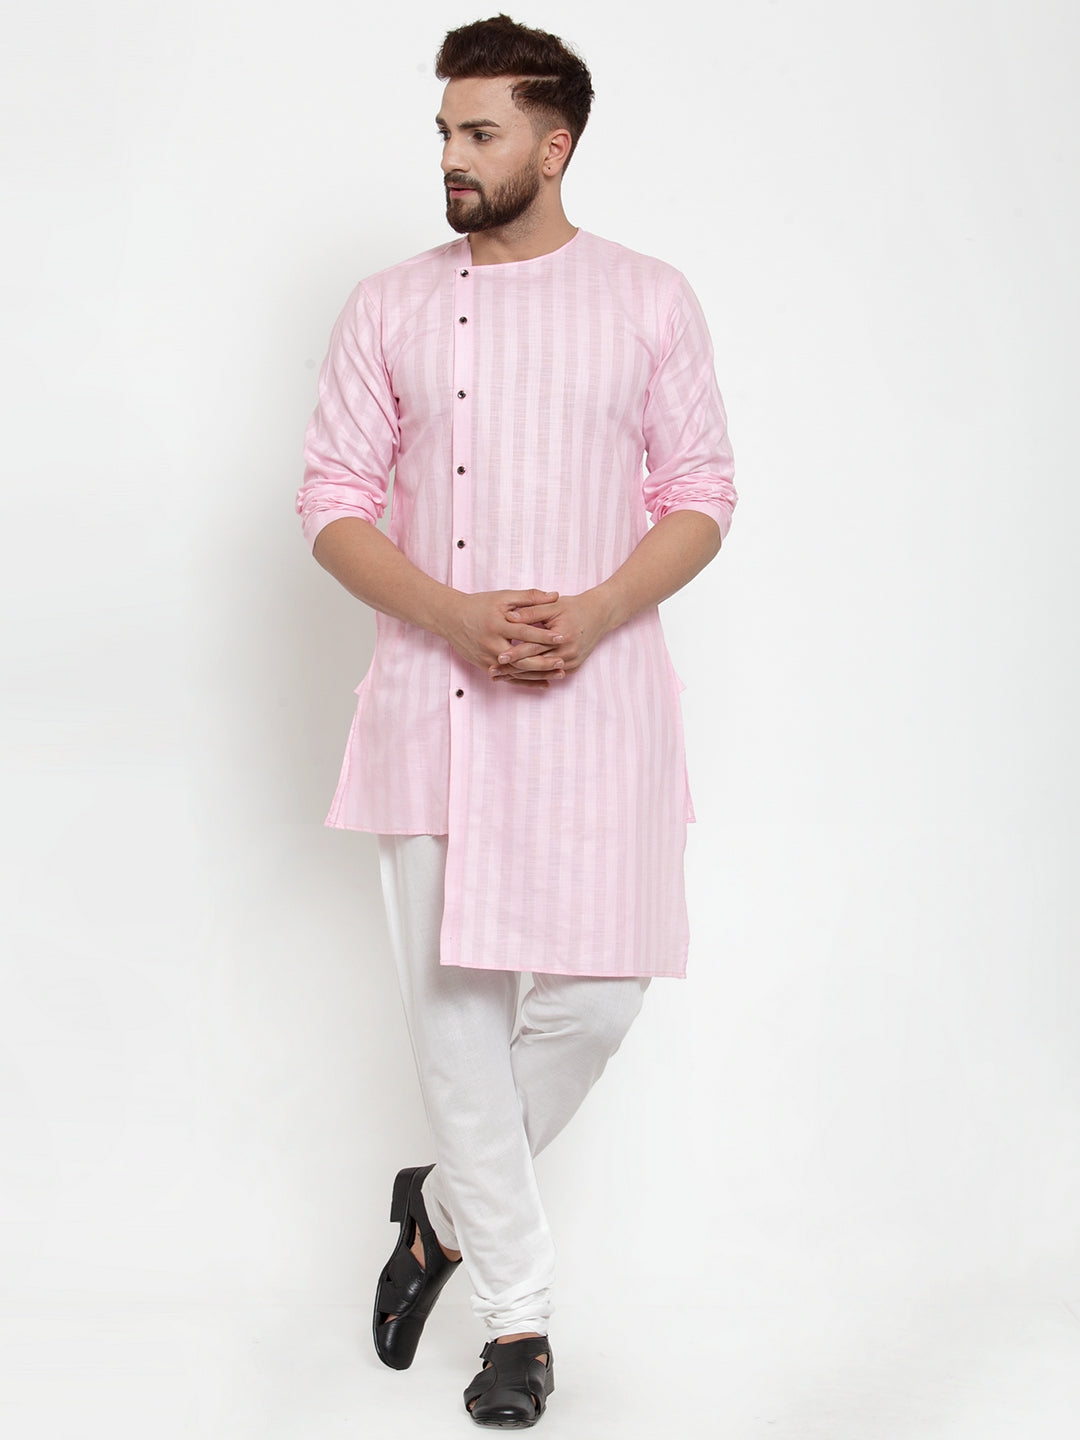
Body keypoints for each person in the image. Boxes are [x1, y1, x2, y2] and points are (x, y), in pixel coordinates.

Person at [295, 13, 737, 1428]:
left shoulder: (651, 298)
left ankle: (438, 1210)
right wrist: (454, 614)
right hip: (434, 704)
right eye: (444, 130)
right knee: (457, 1026)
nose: (452, 155)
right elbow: (331, 503)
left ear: (556, 146)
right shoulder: (389, 307)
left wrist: (596, 611)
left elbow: (702, 493)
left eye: (480, 132)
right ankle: (519, 1324)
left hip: (600, 701)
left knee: (598, 999)